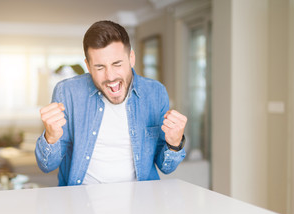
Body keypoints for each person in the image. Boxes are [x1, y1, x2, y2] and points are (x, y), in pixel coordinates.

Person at [35, 20, 187, 186]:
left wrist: (174, 144)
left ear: (131, 58)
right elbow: (47, 166)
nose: (110, 76)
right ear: (88, 66)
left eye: (117, 64)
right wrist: (50, 137)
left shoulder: (155, 93)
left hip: (140, 203)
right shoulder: (67, 92)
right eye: (100, 67)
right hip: (81, 203)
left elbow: (166, 167)